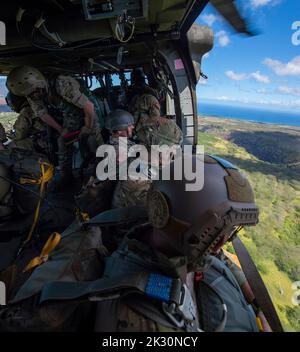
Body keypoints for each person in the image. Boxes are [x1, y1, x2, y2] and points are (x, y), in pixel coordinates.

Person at [0, 154, 267, 332]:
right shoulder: (137, 319)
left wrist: (254, 303)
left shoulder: (182, 245)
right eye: (219, 233)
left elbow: (216, 259)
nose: (223, 243)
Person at [6, 66, 103, 186]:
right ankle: (66, 177)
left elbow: (89, 106)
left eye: (35, 91)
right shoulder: (31, 93)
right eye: (30, 95)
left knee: (94, 143)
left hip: (90, 113)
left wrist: (88, 127)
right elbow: (42, 114)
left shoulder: (61, 84)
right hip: (71, 114)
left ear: (40, 83)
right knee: (62, 141)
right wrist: (61, 130)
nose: (34, 96)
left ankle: (101, 178)